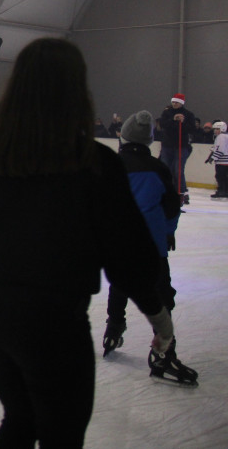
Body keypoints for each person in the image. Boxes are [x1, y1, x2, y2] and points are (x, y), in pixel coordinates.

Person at [0, 38, 196, 447]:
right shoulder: (93, 162)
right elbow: (128, 255)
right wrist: (159, 317)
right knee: (60, 433)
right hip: (50, 321)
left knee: (20, 418)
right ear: (77, 89)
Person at [100, 111, 197, 388]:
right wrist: (167, 233)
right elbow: (171, 207)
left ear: (125, 137)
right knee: (161, 295)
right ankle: (164, 354)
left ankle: (114, 326)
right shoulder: (158, 169)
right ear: (148, 141)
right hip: (151, 245)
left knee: (120, 283)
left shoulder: (112, 165)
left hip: (119, 243)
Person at [157, 93, 197, 204]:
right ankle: (166, 192)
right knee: (167, 170)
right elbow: (163, 125)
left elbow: (192, 129)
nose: (174, 104)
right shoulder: (167, 113)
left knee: (178, 170)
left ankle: (180, 194)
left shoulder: (188, 114)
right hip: (167, 146)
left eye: (176, 102)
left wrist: (183, 122)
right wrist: (173, 120)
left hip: (181, 146)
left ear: (181, 103)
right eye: (173, 102)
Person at [208, 120, 227, 199]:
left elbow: (220, 149)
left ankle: (223, 191)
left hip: (223, 161)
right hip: (223, 161)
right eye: (215, 129)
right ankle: (224, 190)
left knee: (220, 176)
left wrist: (213, 158)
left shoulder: (221, 137)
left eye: (217, 129)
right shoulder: (224, 136)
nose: (215, 131)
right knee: (222, 176)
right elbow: (216, 148)